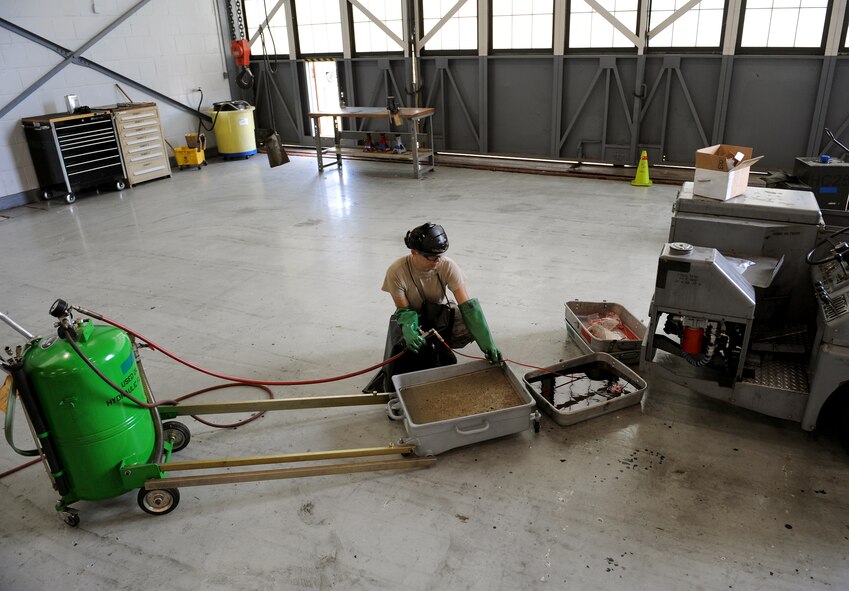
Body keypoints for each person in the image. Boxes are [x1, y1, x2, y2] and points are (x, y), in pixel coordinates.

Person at [363, 222, 502, 393]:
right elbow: (404, 310)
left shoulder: (447, 265)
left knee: (467, 324)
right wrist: (409, 328)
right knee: (409, 350)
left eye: (440, 256)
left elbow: (467, 307)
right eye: (431, 257)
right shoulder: (396, 272)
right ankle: (428, 351)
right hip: (415, 316)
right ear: (414, 252)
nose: (437, 261)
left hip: (441, 312)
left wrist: (488, 344)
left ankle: (441, 348)